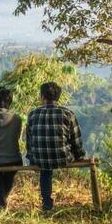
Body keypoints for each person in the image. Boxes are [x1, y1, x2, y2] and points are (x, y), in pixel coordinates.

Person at [26, 82, 86, 211]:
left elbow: (29, 142)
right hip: (62, 158)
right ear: (58, 97)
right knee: (54, 158)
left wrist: (32, 158)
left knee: (45, 170)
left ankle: (47, 202)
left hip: (40, 159)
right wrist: (80, 156)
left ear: (42, 96)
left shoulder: (33, 114)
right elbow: (76, 140)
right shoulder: (67, 114)